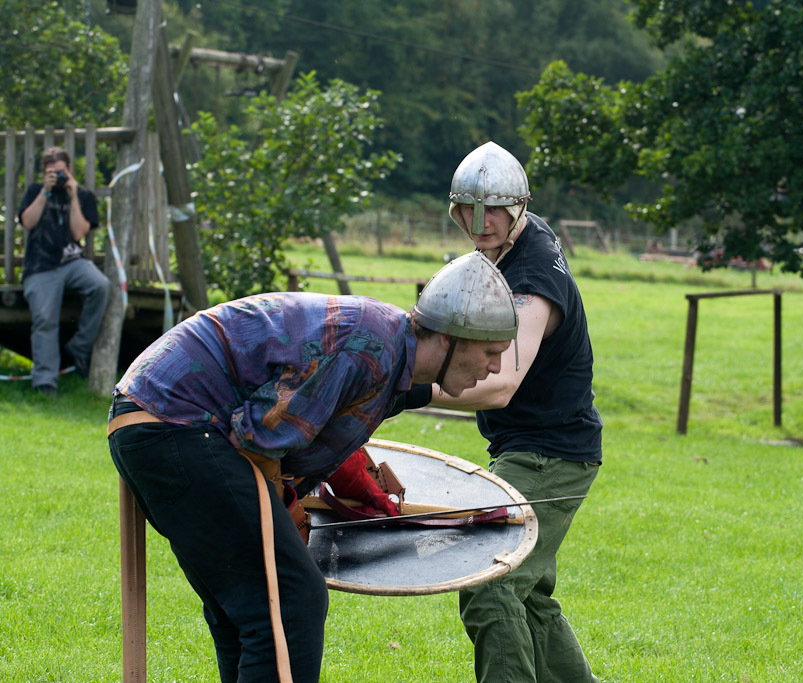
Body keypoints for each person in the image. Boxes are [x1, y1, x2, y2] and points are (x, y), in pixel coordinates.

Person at [106, 251, 519, 682]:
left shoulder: (391, 353)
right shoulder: (369, 347)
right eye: (491, 351)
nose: (495, 367)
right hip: (178, 423)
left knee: (252, 613)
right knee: (291, 602)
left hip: (154, 423)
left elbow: (331, 423)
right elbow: (259, 434)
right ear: (450, 336)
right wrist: (283, 505)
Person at [433, 141, 603, 682]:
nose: (479, 224)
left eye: (492, 213)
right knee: (527, 598)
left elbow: (502, 383)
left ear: (519, 207)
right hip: (535, 449)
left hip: (549, 456)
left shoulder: (533, 281)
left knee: (490, 579)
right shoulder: (518, 240)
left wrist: (402, 389)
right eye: (467, 212)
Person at [17, 146, 109, 395]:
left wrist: (73, 195)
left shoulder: (83, 195)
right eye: (51, 172)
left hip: (72, 263)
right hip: (40, 267)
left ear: (68, 170)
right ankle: (45, 382)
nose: (56, 176)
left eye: (60, 172)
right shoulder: (36, 191)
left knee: (100, 286)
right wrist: (46, 191)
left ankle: (78, 348)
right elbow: (28, 222)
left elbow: (79, 232)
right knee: (44, 319)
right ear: (43, 173)